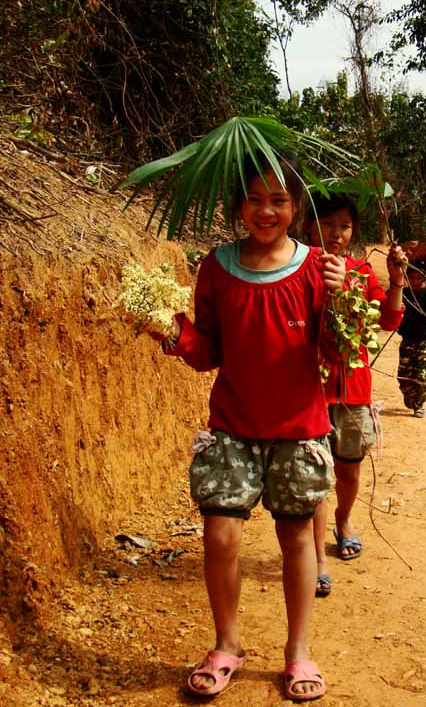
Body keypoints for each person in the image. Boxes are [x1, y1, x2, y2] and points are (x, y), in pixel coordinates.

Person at [155, 153, 345, 701]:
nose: (266, 211)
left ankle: (298, 651)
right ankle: (226, 643)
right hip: (233, 425)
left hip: (299, 429)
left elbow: (334, 354)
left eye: (279, 200)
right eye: (255, 199)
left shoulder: (316, 268)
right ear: (237, 203)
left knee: (295, 538)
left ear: (296, 207)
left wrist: (337, 300)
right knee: (220, 534)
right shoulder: (216, 267)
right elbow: (209, 349)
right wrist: (170, 333)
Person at [303, 193, 407, 597]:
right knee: (315, 477)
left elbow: (389, 318)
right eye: (329, 223)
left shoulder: (362, 271)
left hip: (354, 389)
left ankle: (344, 521)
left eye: (345, 226)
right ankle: (317, 558)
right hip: (310, 388)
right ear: (310, 225)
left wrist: (396, 278)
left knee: (348, 469)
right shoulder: (299, 266)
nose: (337, 233)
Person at [397, 264, 426, 417]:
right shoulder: (403, 293)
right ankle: (410, 399)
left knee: (422, 374)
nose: (415, 282)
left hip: (424, 341)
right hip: (407, 341)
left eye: (419, 278)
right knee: (404, 374)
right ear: (407, 279)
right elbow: (391, 301)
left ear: (424, 280)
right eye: (412, 278)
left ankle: (419, 405)